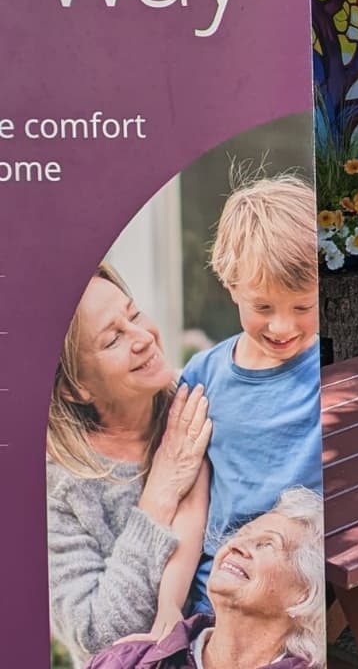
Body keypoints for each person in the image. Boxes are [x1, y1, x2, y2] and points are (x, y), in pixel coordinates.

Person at [48, 264, 213, 667]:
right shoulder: (57, 483)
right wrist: (159, 493)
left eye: (134, 314)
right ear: (75, 387)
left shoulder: (201, 404)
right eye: (113, 339)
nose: (144, 337)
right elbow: (98, 638)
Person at [179, 175, 322, 611]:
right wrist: (170, 605)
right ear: (231, 284)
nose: (282, 327)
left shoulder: (327, 373)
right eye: (263, 307)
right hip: (214, 597)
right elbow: (190, 499)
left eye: (303, 307)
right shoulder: (202, 376)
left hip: (297, 594)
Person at [84, 487, 324, 668]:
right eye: (241, 534)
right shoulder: (126, 661)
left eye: (267, 545)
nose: (237, 545)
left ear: (305, 594)